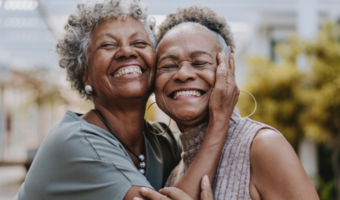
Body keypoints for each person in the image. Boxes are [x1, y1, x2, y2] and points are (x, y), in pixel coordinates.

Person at [15, 1, 239, 200]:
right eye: (108, 45)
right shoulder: (76, 141)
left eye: (140, 43)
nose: (126, 51)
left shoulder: (162, 142)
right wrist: (220, 121)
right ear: (85, 74)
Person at [138, 6, 320, 200]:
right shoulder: (175, 172)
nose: (183, 74)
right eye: (168, 65)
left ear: (228, 70)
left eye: (200, 62)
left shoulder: (263, 146)